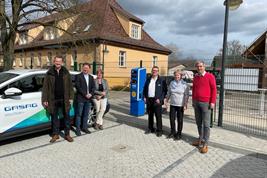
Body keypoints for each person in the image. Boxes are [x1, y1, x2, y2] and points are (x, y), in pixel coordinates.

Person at [42, 55, 74, 143]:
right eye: (56, 61)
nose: (58, 63)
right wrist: (45, 99)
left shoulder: (66, 72)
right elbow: (45, 87)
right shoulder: (49, 73)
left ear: (62, 62)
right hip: (53, 99)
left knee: (66, 117)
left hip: (65, 98)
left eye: (59, 62)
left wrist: (71, 98)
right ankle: (55, 134)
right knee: (54, 118)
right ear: (54, 62)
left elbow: (70, 86)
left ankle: (67, 134)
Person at [192, 61, 217, 153]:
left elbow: (214, 89)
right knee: (198, 122)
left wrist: (213, 102)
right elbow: (194, 89)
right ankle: (200, 139)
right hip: (196, 102)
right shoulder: (196, 77)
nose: (199, 68)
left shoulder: (210, 76)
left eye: (201, 66)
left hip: (206, 103)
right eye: (198, 66)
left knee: (206, 124)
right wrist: (193, 101)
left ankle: (205, 143)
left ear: (204, 66)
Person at [143, 66, 167, 137]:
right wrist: (144, 97)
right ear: (151, 71)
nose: (154, 72)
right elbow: (144, 89)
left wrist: (160, 99)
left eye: (156, 70)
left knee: (158, 116)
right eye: (153, 70)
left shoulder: (162, 80)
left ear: (158, 72)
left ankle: (159, 130)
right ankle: (151, 128)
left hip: (157, 100)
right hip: (149, 100)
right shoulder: (148, 79)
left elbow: (164, 91)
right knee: (150, 115)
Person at [166, 70, 189, 140]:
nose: (177, 76)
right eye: (175, 75)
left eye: (178, 75)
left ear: (181, 76)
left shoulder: (184, 84)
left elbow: (186, 95)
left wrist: (185, 104)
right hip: (173, 104)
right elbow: (169, 92)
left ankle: (179, 133)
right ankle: (173, 132)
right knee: (172, 119)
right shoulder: (172, 83)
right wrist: (166, 100)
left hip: (180, 105)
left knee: (180, 120)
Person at [75, 63, 95, 136]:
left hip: (88, 99)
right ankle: (78, 129)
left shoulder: (91, 77)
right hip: (81, 98)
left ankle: (85, 128)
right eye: (84, 67)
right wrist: (85, 94)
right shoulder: (78, 76)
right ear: (82, 68)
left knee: (86, 114)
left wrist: (91, 94)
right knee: (79, 114)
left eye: (87, 68)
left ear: (89, 69)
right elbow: (78, 86)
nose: (85, 69)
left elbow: (93, 87)